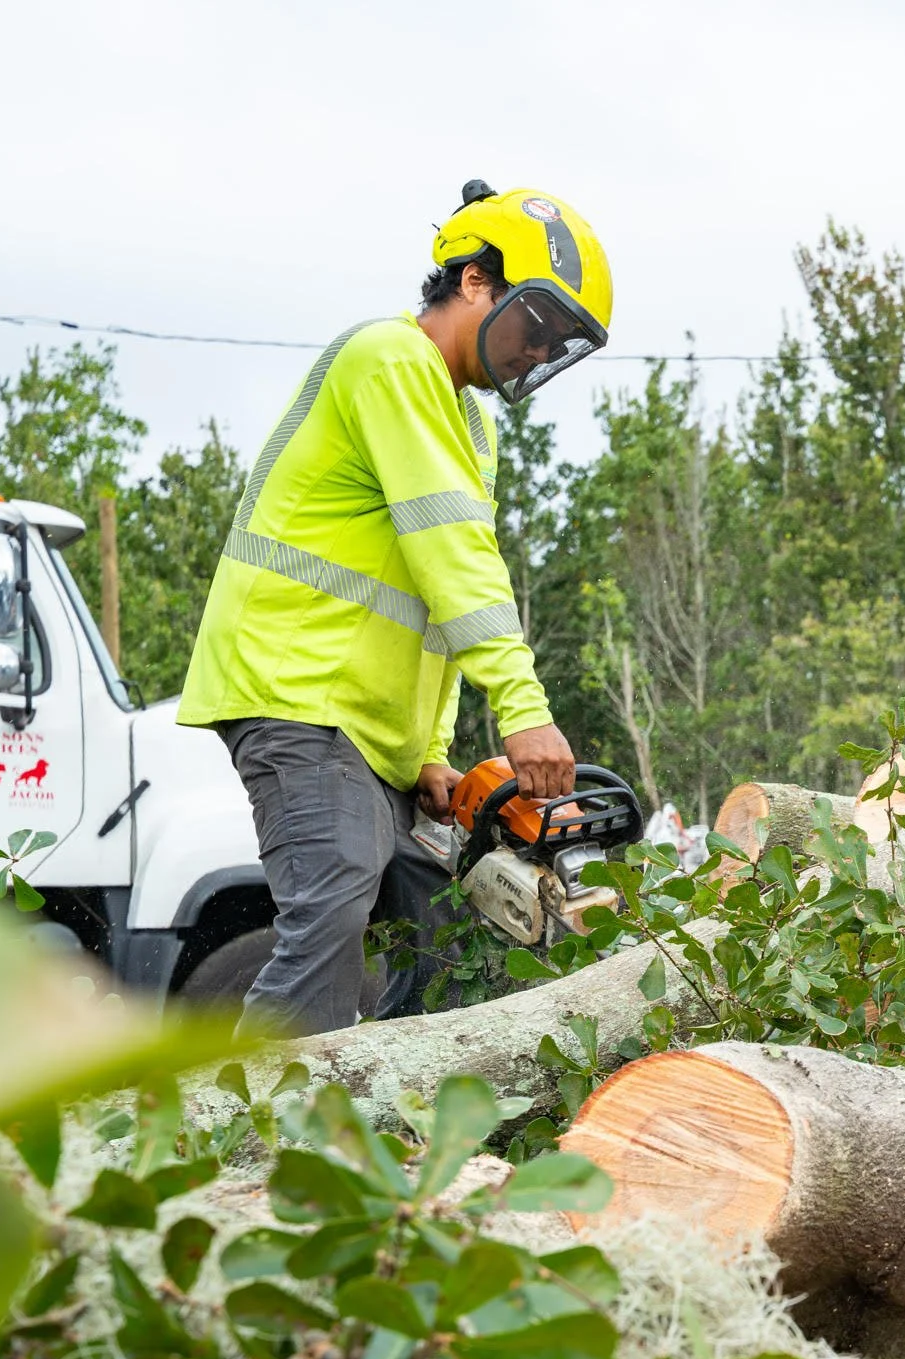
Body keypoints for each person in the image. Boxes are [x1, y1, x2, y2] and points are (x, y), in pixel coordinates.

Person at [178, 180, 612, 1034]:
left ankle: (404, 1119)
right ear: (476, 281)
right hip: (298, 695)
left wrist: (430, 754)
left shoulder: (470, 423)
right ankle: (243, 1137)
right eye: (538, 324)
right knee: (331, 911)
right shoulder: (389, 359)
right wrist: (523, 713)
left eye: (559, 342)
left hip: (371, 732)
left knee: (443, 927)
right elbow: (453, 554)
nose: (537, 352)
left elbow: (434, 601)